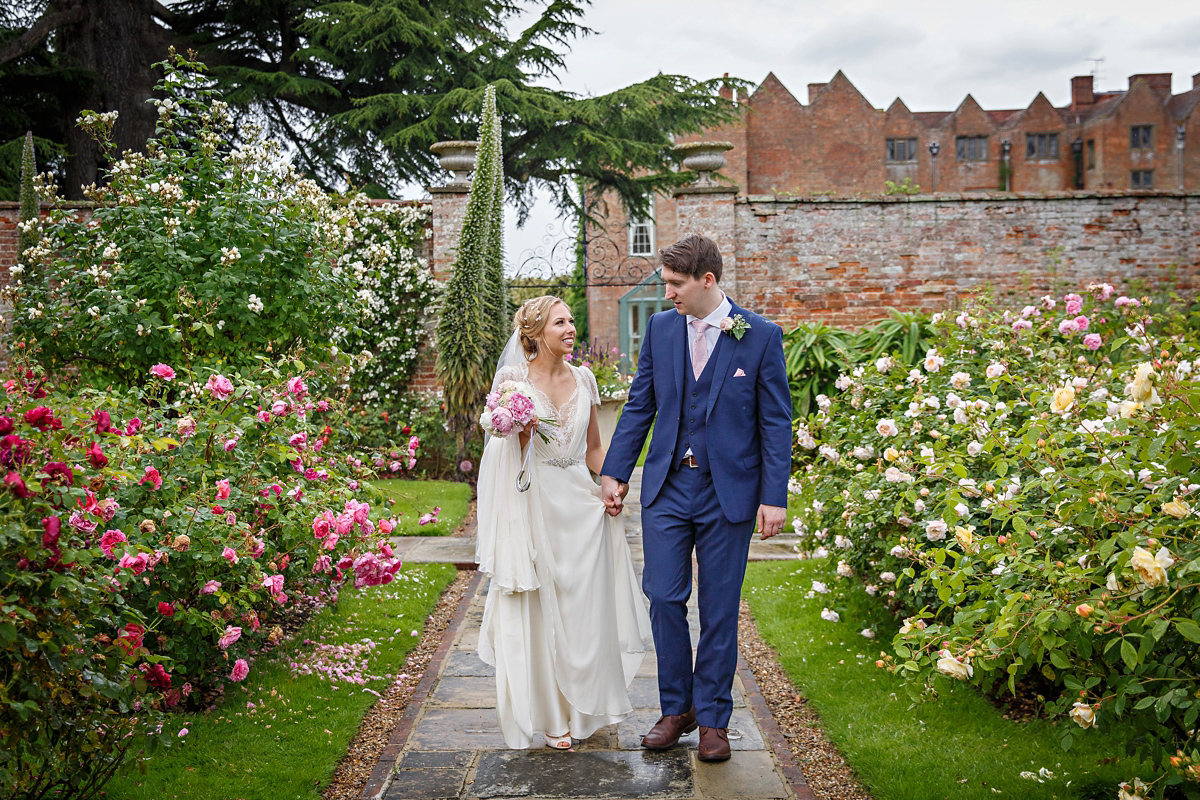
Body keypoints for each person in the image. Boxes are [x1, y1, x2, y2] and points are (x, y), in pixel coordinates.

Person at [600, 233, 791, 763]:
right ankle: (675, 708)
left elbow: (776, 423)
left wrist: (773, 496)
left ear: (708, 280)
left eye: (676, 284)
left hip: (729, 492)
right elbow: (640, 405)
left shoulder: (759, 335)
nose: (668, 295)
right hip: (666, 487)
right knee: (663, 596)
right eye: (666, 284)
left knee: (719, 609)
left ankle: (712, 719)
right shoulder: (662, 331)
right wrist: (616, 471)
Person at [475, 295, 652, 750]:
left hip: (579, 501)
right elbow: (500, 447)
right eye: (560, 322)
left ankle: (583, 706)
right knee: (541, 609)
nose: (571, 328)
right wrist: (519, 432)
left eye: (572, 320)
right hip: (533, 502)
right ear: (535, 334)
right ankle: (552, 716)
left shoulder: (585, 377)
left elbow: (594, 447)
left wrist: (610, 485)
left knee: (583, 610)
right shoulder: (513, 380)